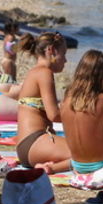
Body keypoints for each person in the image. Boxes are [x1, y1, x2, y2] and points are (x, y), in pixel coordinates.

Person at [15, 32, 71, 171]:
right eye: (63, 54)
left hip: (28, 144)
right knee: (90, 156)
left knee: (91, 153)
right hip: (35, 141)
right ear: (51, 50)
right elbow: (54, 116)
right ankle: (51, 169)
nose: (65, 60)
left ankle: (52, 167)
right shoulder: (44, 72)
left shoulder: (35, 72)